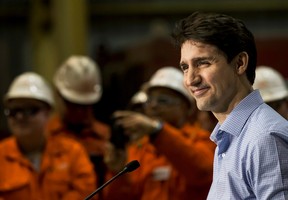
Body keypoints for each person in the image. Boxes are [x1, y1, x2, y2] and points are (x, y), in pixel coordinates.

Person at [172, 11, 288, 199]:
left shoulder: (265, 139)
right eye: (185, 67)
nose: (190, 79)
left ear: (240, 63)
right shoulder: (230, 137)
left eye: (203, 63)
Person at [104, 66, 215, 200]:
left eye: (162, 100)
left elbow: (201, 172)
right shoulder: (140, 149)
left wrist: (158, 131)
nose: (153, 106)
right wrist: (118, 174)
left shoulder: (203, 141)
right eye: (149, 100)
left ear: (185, 107)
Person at [0, 72, 96, 200]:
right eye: (14, 111)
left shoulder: (72, 152)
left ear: (48, 112)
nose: (20, 117)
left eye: (30, 110)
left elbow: (86, 192)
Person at [46, 55, 110, 191]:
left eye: (86, 105)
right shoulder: (45, 137)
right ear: (59, 96)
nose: (81, 112)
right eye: (75, 105)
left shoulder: (106, 137)